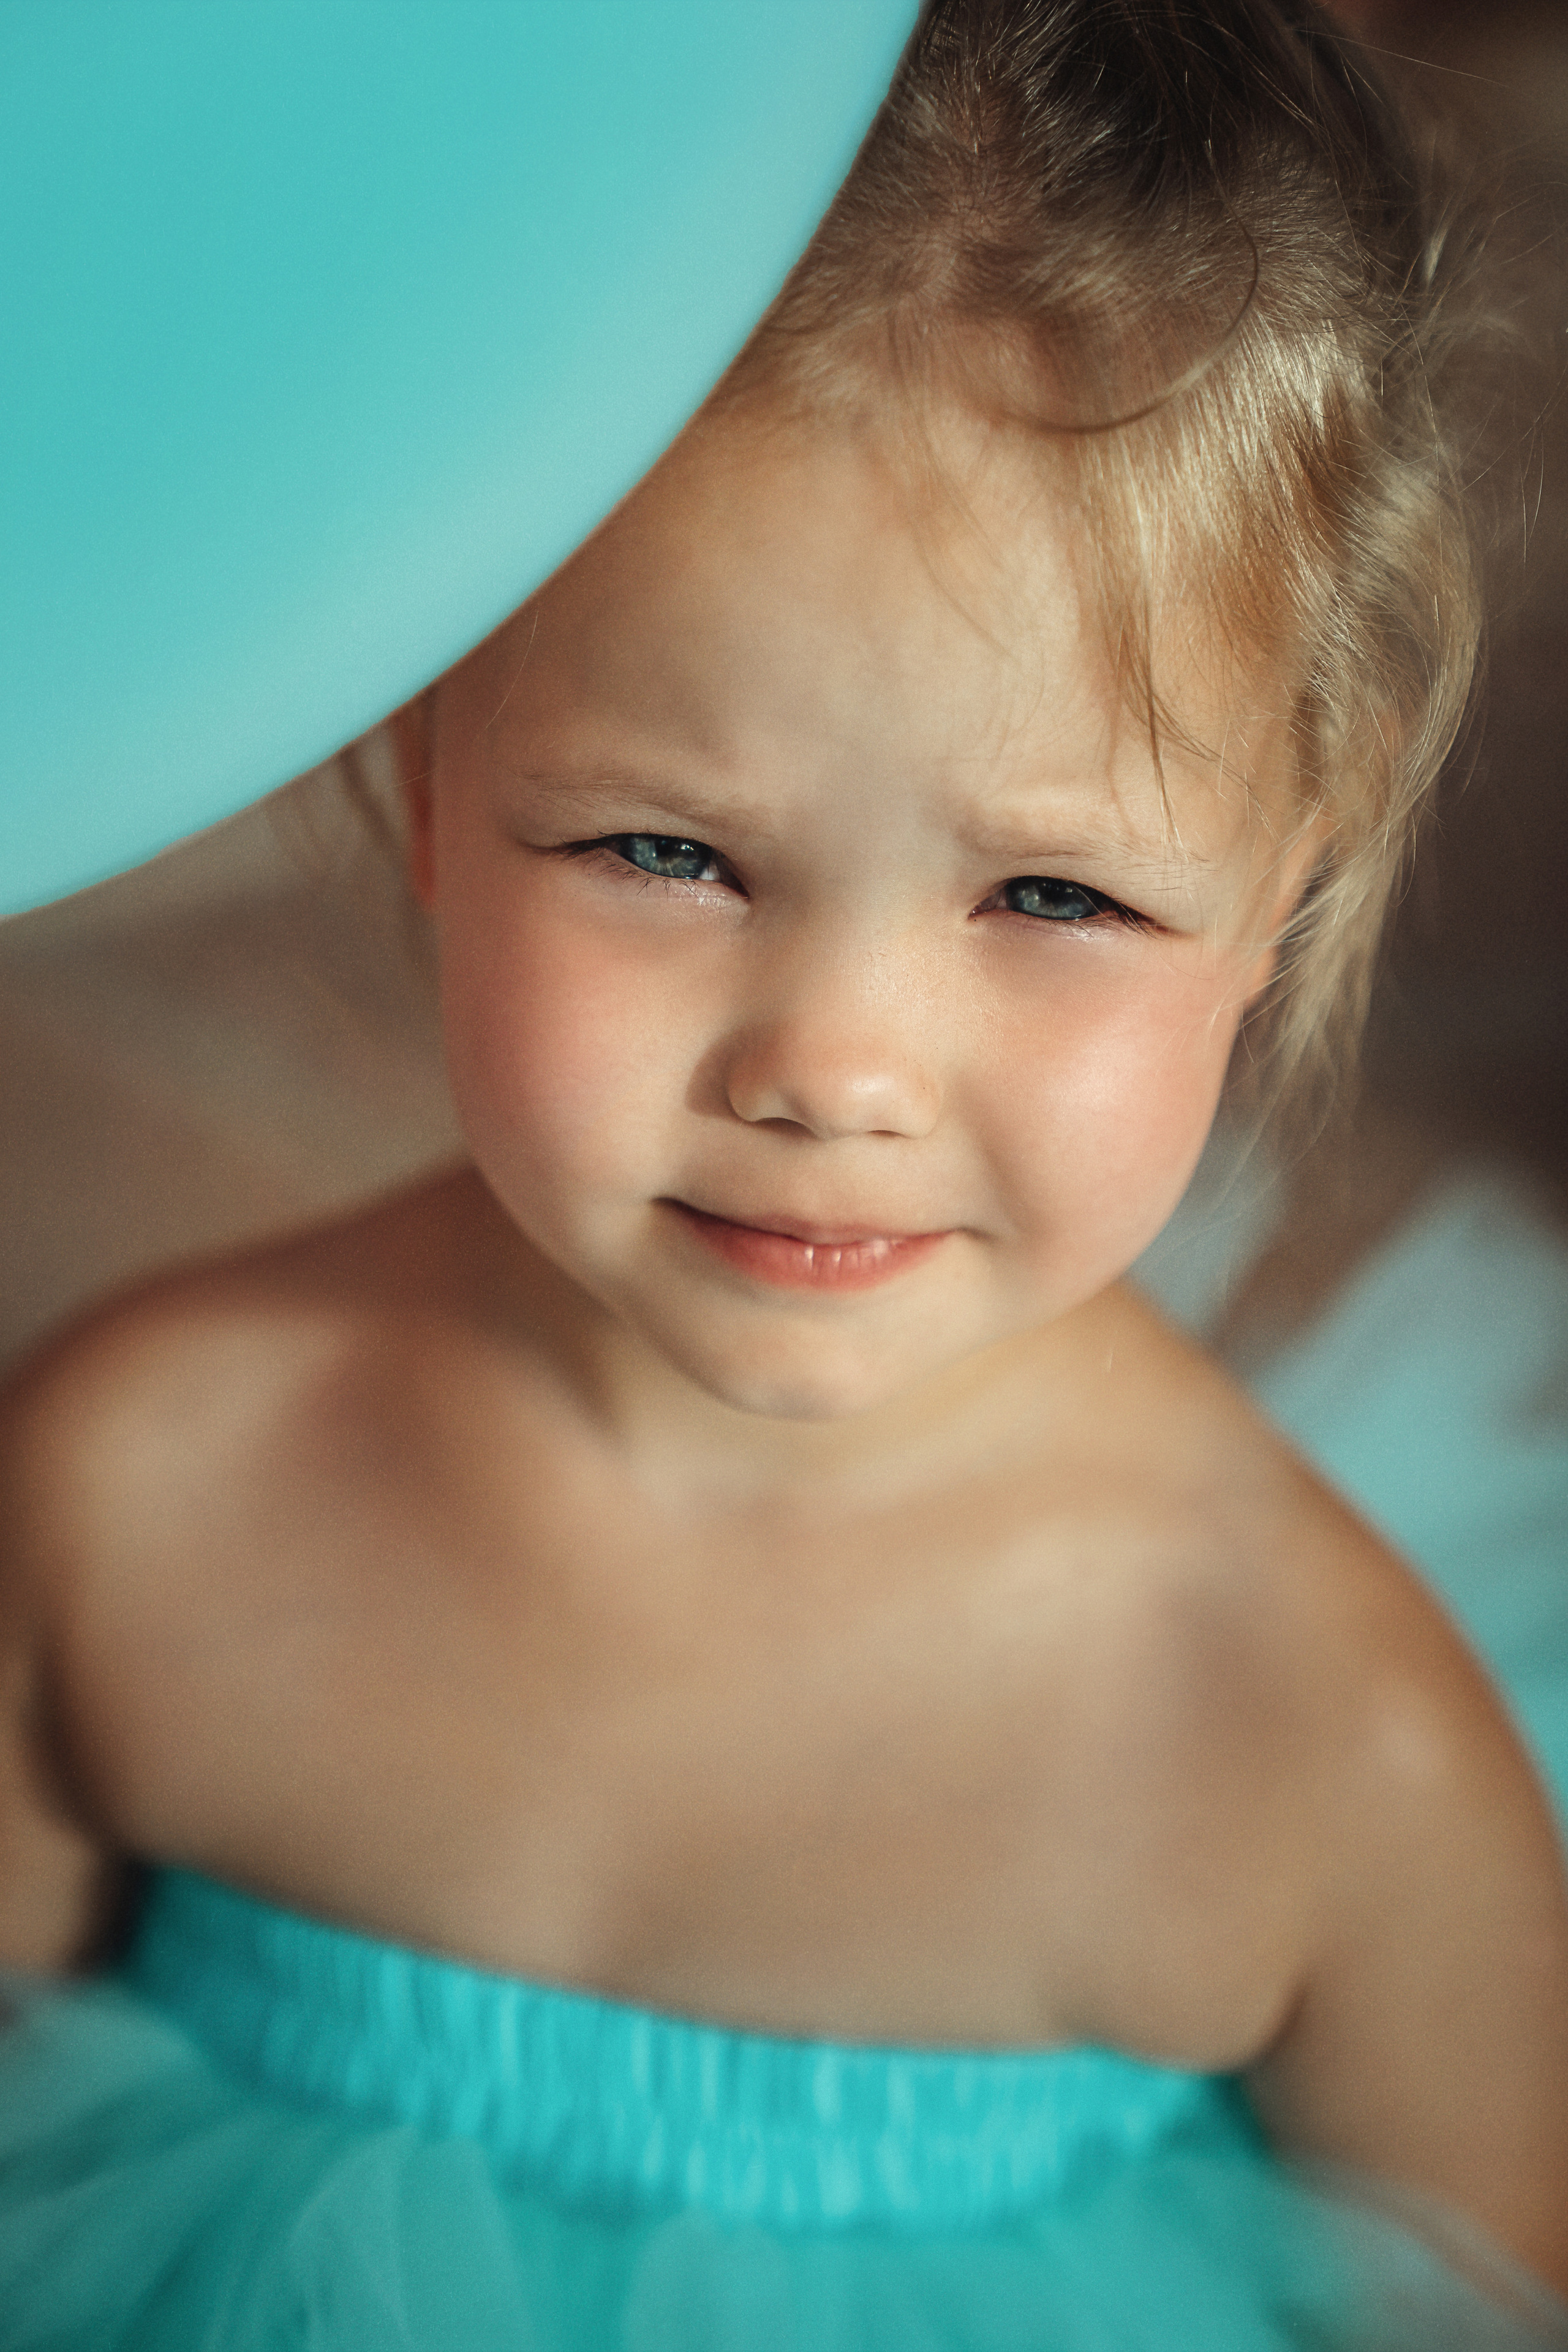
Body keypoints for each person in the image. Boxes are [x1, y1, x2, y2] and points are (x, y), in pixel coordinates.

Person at [2, 1, 1566, 2343]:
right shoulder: (127, 1495)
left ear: (1289, 892)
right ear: (423, 776)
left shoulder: (1323, 1759)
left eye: (1057, 894)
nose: (836, 1071)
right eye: (667, 849)